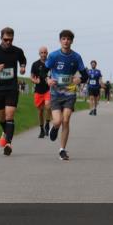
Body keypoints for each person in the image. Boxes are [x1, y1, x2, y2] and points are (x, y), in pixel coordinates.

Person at [45, 29, 89, 161]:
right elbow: (43, 71)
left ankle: (62, 150)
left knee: (66, 119)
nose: (66, 41)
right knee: (58, 121)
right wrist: (47, 79)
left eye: (68, 39)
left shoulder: (76, 57)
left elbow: (85, 75)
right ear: (60, 40)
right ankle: (55, 128)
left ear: (72, 41)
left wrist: (79, 79)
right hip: (55, 93)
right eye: (63, 39)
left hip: (69, 92)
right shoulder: (53, 56)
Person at [0, 28, 27, 156]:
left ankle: (8, 143)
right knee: (1, 117)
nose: (8, 42)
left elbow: (22, 60)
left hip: (12, 88)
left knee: (10, 115)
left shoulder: (17, 51)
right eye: (6, 39)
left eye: (11, 40)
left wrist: (23, 67)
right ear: (1, 38)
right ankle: (5, 131)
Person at [30, 46, 52, 138]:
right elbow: (31, 77)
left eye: (45, 52)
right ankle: (42, 129)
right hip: (38, 91)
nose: (43, 54)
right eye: (41, 53)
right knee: (40, 111)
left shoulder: (50, 63)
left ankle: (47, 123)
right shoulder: (35, 64)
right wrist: (35, 81)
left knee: (48, 107)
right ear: (39, 54)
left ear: (47, 53)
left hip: (48, 89)